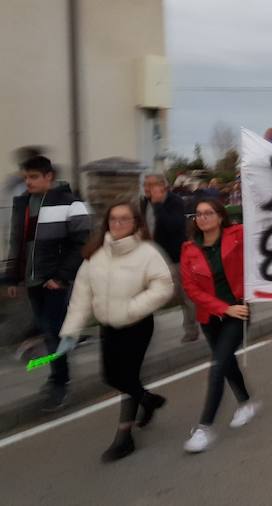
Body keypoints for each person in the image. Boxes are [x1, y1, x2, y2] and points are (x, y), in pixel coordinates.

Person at [59, 199, 174, 462]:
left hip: (137, 325)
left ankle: (125, 438)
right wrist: (71, 332)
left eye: (125, 219)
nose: (118, 223)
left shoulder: (147, 252)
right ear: (107, 222)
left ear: (136, 223)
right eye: (114, 219)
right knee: (110, 377)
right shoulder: (96, 254)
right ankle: (148, 400)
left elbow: (163, 287)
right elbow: (81, 296)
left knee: (127, 376)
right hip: (108, 327)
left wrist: (131, 308)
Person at [3, 156, 91, 411]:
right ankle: (56, 375)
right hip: (32, 281)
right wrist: (13, 277)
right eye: (25, 178)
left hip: (54, 282)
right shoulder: (22, 204)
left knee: (54, 332)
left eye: (33, 177)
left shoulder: (71, 203)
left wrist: (61, 277)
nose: (27, 182)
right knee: (47, 331)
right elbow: (17, 244)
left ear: (48, 176)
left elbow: (82, 243)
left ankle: (61, 383)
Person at [180, 197, 258, 453]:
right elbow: (191, 288)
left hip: (239, 312)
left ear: (220, 216)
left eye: (208, 213)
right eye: (198, 214)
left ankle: (204, 427)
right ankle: (246, 402)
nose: (202, 218)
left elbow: (263, 242)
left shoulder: (238, 235)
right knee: (227, 363)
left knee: (217, 367)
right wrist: (222, 308)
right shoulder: (189, 249)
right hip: (211, 317)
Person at [141, 173, 198, 342]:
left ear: (161, 187)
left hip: (174, 256)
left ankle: (191, 328)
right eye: (145, 185)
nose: (146, 189)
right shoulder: (144, 203)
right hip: (152, 257)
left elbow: (173, 226)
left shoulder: (175, 202)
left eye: (150, 185)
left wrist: (158, 205)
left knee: (184, 295)